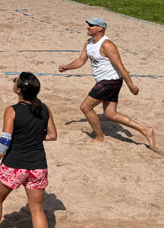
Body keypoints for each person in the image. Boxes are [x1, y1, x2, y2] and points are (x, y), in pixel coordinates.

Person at [0, 72, 57, 228]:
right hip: (38, 166)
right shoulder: (44, 109)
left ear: (19, 89)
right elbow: (52, 135)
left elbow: (5, 140)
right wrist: (33, 136)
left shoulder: (12, 110)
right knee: (37, 209)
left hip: (14, 165)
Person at [58, 17, 156, 149]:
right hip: (106, 81)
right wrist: (66, 67)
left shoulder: (107, 45)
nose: (88, 27)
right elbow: (80, 61)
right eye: (88, 24)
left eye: (91, 25)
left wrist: (131, 85)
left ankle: (99, 137)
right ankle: (146, 130)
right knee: (111, 114)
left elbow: (120, 66)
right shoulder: (88, 43)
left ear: (100, 28)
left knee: (85, 107)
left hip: (110, 81)